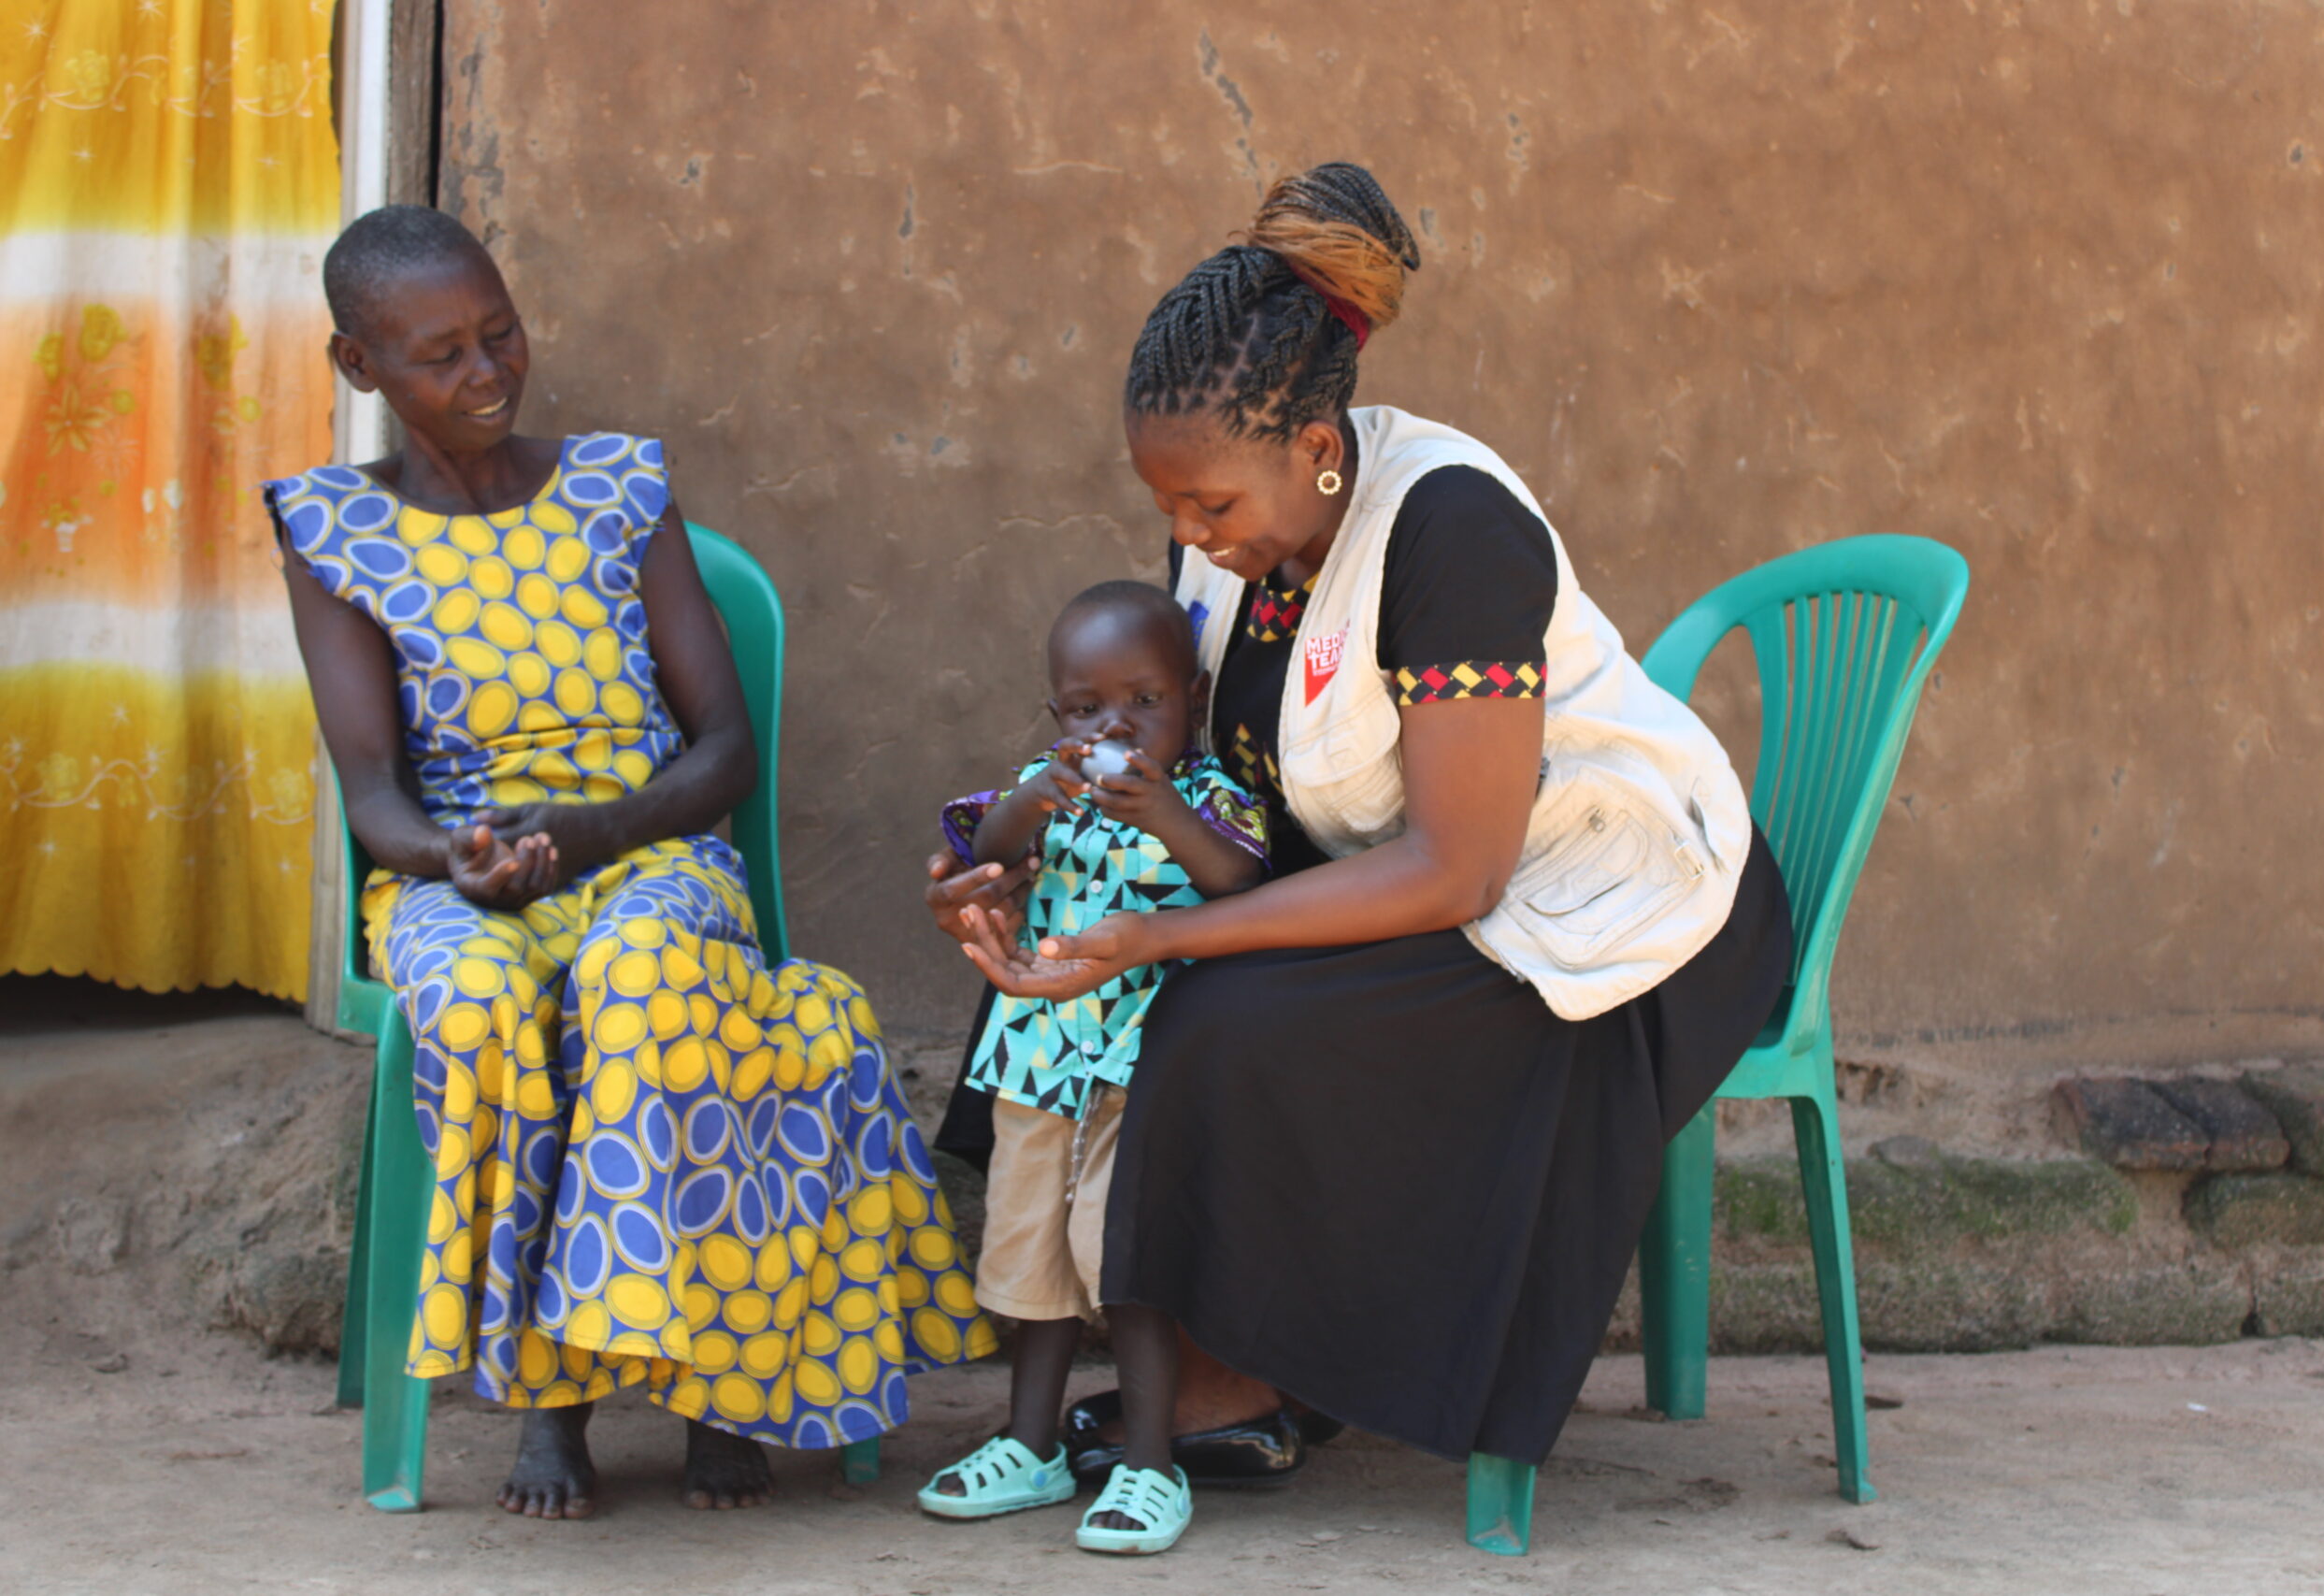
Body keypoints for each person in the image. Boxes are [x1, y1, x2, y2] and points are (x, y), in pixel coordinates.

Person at [932, 162, 1794, 1480]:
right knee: (1055, 986)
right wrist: (1018, 853)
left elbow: (1458, 868)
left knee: (1220, 1009)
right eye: (1166, 506)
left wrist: (1170, 943)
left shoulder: (1452, 529)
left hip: (1610, 906)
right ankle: (1152, 1351)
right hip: (1412, 877)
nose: (1187, 535)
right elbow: (1203, 783)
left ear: (1319, 453)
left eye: (1210, 506)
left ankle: (1255, 1366)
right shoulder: (1231, 546)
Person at [267, 205, 995, 1520]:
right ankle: (554, 1400)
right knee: (481, 997)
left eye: (501, 333)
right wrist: (461, 855)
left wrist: (594, 832)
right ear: (358, 367)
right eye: (441, 355)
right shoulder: (331, 530)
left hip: (648, 848)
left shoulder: (620, 485)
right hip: (458, 873)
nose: (486, 372)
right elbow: (373, 789)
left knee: (644, 973)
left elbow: (722, 751)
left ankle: (714, 1380)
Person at [916, 582, 1267, 1554]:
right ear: (1056, 716)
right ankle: (1028, 1444)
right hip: (1039, 1065)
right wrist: (1028, 799)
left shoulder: (1205, 794)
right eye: (1085, 709)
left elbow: (1239, 881)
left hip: (1144, 1070)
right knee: (1030, 1257)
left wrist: (1163, 814)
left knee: (1127, 1264)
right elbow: (983, 854)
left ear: (1191, 699)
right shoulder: (1046, 781)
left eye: (1143, 701)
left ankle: (1151, 1464)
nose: (1115, 726)